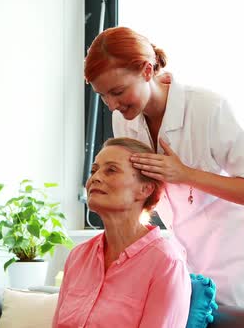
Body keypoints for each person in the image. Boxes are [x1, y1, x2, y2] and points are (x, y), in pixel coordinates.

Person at [84, 26, 244, 310]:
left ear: (147, 71)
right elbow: (142, 190)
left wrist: (186, 175)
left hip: (242, 269)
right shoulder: (126, 119)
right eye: (103, 96)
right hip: (188, 267)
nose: (112, 105)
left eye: (118, 92)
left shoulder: (207, 108)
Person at [52, 137, 191, 328]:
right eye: (93, 170)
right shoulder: (78, 257)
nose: (95, 178)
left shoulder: (167, 263)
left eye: (111, 170)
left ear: (145, 189)